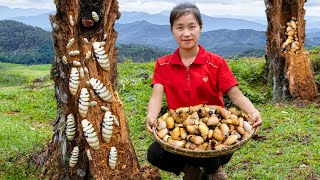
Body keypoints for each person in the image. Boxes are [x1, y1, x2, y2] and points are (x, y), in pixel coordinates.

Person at [146, 3, 262, 180]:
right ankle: (191, 169)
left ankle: (214, 170)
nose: (186, 33)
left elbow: (235, 95)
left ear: (200, 28)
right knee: (154, 154)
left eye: (192, 26)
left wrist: (253, 112)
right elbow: (156, 96)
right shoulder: (163, 64)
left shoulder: (216, 63)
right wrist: (151, 116)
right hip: (181, 130)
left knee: (212, 147)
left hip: (214, 136)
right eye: (180, 27)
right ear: (172, 30)